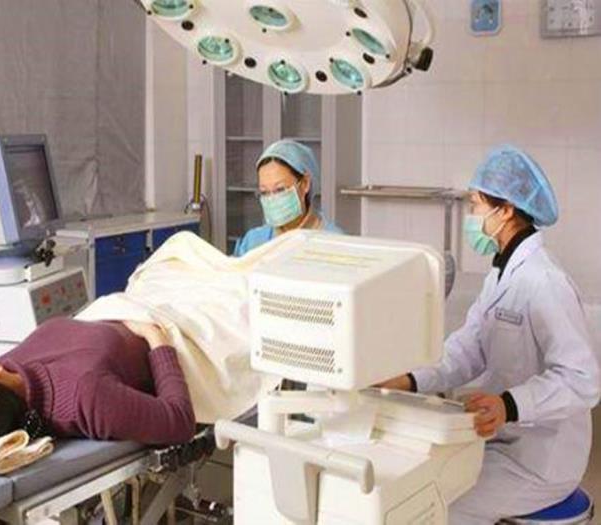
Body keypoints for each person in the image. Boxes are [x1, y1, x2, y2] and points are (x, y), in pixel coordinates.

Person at [379, 145, 600, 524]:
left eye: (476, 204)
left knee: (436, 503)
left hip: (543, 460)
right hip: (504, 440)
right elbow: (468, 349)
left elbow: (583, 379)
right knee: (418, 482)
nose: (472, 215)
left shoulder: (544, 280)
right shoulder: (500, 274)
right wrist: (409, 380)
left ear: (506, 210)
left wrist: (508, 405)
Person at [0, 317, 196, 447]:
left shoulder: (10, 369)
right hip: (165, 327)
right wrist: (157, 340)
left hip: (126, 310)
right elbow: (180, 421)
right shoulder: (88, 397)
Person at [233, 139, 342, 257]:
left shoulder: (335, 243)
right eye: (264, 192)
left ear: (305, 184)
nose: (272, 199)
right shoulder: (254, 241)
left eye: (280, 189)